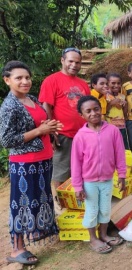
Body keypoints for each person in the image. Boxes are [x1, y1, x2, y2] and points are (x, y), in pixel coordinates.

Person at [1, 61, 63, 265]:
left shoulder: (32, 99)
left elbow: (38, 123)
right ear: (7, 80)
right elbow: (6, 140)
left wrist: (49, 126)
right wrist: (39, 131)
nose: (25, 81)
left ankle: (35, 232)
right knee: (22, 204)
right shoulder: (10, 106)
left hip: (43, 158)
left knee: (39, 198)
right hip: (24, 163)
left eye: (27, 77)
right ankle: (17, 249)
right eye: (18, 78)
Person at [71, 96, 126, 254]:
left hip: (107, 179)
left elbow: (120, 154)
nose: (93, 113)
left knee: (105, 209)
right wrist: (77, 186)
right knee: (92, 209)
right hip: (89, 183)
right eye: (88, 111)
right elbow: (76, 163)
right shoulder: (80, 136)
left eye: (96, 109)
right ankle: (93, 238)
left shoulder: (113, 131)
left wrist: (121, 175)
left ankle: (103, 234)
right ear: (82, 115)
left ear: (101, 109)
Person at [39, 47, 90, 193]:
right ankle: (61, 201)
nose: (74, 65)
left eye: (78, 62)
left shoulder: (82, 84)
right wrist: (52, 130)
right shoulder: (51, 80)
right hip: (63, 134)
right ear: (62, 60)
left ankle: (78, 198)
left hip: (83, 134)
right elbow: (46, 106)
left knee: (82, 168)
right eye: (71, 61)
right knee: (62, 170)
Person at [106, 73, 129, 149]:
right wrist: (111, 103)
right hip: (109, 126)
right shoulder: (105, 96)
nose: (116, 85)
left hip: (121, 126)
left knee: (122, 146)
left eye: (118, 83)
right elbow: (104, 111)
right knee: (111, 146)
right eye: (113, 83)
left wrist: (125, 105)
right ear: (107, 84)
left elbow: (124, 112)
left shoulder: (122, 96)